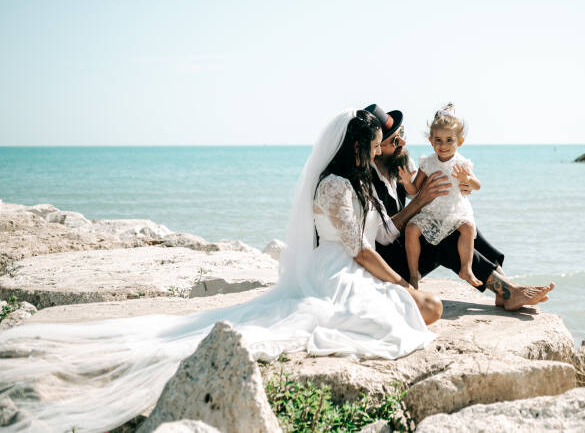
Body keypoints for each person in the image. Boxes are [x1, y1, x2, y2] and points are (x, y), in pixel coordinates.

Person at [0, 109, 442, 432]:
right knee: (417, 312)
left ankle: (407, 300)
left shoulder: (357, 181)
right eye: (371, 144)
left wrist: (413, 201)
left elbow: (379, 235)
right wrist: (403, 284)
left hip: (350, 265)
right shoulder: (333, 186)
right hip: (335, 270)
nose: (377, 149)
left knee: (426, 309)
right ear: (354, 146)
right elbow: (360, 251)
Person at [363, 103, 554, 311]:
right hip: (388, 264)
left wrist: (460, 186)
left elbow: (418, 189)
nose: (404, 142)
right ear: (376, 147)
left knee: (460, 220)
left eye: (402, 134)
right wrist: (421, 201)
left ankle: (507, 288)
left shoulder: (399, 160)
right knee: (444, 235)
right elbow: (382, 236)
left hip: (404, 244)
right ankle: (507, 291)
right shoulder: (365, 180)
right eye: (395, 140)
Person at [403, 103, 483, 289]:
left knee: (469, 228)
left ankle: (466, 268)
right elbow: (414, 190)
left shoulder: (462, 163)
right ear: (431, 141)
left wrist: (468, 178)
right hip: (431, 213)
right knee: (411, 230)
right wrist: (407, 181)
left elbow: (478, 186)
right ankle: (414, 274)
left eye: (449, 140)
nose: (443, 145)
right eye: (438, 140)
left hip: (455, 212)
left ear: (459, 142)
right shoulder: (427, 163)